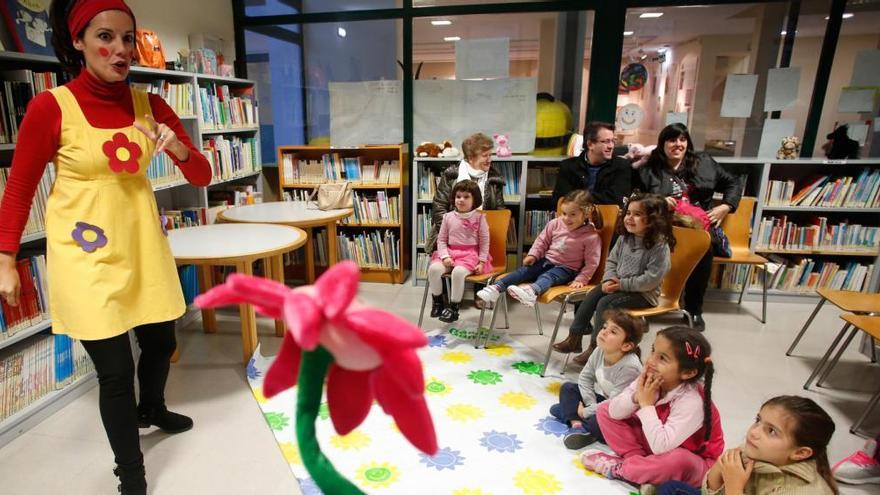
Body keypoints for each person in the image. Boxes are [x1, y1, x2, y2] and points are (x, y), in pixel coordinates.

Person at [0, 1, 212, 493]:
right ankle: (131, 472)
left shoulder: (151, 105)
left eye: (127, 38)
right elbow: (20, 188)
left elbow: (199, 173)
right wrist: (7, 258)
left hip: (141, 244)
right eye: (105, 37)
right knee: (114, 372)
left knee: (162, 341)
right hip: (85, 256)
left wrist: (177, 146)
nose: (119, 50)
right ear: (78, 42)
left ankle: (152, 408)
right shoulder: (50, 107)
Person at [581, 326, 723, 488]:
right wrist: (636, 397)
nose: (650, 361)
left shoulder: (693, 401)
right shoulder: (651, 376)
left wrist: (647, 405)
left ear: (688, 373)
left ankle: (624, 470)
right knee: (605, 409)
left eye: (662, 358)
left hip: (692, 463)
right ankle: (638, 464)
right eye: (653, 350)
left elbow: (661, 447)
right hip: (654, 445)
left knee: (679, 459)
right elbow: (614, 412)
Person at [637, 123, 741, 331]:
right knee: (646, 248)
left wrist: (726, 206)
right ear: (663, 143)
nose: (678, 144)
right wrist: (658, 200)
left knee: (705, 250)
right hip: (662, 226)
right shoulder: (649, 170)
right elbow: (636, 197)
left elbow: (733, 182)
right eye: (672, 140)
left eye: (682, 139)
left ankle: (694, 309)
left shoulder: (704, 163)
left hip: (698, 227)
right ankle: (646, 303)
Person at [552, 193, 675, 366]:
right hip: (618, 285)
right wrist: (609, 279)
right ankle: (575, 337)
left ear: (654, 220)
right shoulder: (625, 238)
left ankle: (596, 348)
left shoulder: (659, 246)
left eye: (637, 214)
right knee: (593, 294)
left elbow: (651, 279)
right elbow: (612, 261)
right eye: (628, 213)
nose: (630, 218)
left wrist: (623, 284)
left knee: (606, 303)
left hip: (643, 294)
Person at [658, 395, 838, 495]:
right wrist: (721, 469)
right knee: (671, 488)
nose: (754, 432)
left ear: (800, 453)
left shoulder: (800, 492)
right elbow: (708, 492)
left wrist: (735, 487)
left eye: (771, 431)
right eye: (758, 420)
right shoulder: (758, 452)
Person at [476, 189, 601, 307]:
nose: (567, 218)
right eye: (564, 213)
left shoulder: (591, 237)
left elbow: (592, 262)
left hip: (567, 269)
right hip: (546, 261)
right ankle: (496, 288)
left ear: (586, 214)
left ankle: (532, 292)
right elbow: (541, 241)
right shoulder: (555, 223)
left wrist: (581, 279)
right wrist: (533, 255)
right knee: (523, 271)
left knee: (547, 277)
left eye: (572, 214)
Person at [426, 132, 505, 309]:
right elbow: (438, 206)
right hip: (450, 232)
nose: (489, 159)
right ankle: (443, 296)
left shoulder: (494, 178)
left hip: (481, 231)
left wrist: (477, 230)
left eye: (490, 155)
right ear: (470, 157)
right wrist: (454, 229)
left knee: (484, 244)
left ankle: (480, 291)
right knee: (441, 258)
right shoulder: (452, 175)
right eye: (485, 156)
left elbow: (499, 210)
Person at [550, 309, 645, 450]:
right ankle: (577, 424)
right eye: (605, 327)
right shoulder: (599, 350)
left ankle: (578, 420)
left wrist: (587, 412)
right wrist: (589, 406)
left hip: (622, 413)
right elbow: (585, 378)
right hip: (605, 404)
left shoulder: (630, 367)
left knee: (596, 419)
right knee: (568, 388)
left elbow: (615, 404)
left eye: (613, 332)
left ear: (626, 345)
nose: (604, 332)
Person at [427, 179, 492, 323]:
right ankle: (438, 303)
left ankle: (454, 308)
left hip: (470, 255)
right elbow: (442, 240)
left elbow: (484, 242)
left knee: (457, 272)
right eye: (458, 196)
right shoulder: (448, 217)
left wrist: (481, 262)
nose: (461, 200)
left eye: (466, 197)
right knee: (434, 270)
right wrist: (444, 256)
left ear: (474, 199)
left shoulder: (480, 218)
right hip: (450, 252)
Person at [552, 121, 640, 207]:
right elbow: (560, 199)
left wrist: (579, 198)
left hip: (608, 219)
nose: (611, 146)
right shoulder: (568, 166)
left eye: (613, 141)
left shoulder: (622, 166)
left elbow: (617, 199)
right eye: (605, 141)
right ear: (590, 144)